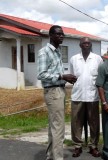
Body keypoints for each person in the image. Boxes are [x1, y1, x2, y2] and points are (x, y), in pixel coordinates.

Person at [37, 25, 77, 160]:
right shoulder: (45, 52)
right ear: (51, 36)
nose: (61, 36)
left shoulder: (58, 51)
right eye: (58, 34)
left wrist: (66, 78)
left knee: (54, 127)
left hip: (59, 90)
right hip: (53, 92)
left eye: (62, 34)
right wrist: (62, 77)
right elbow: (41, 74)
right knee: (58, 128)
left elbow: (55, 72)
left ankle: (50, 156)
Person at [69, 37, 103, 158]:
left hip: (92, 96)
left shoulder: (97, 59)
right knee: (76, 122)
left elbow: (101, 77)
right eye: (84, 43)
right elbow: (72, 77)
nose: (86, 45)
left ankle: (93, 146)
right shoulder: (74, 59)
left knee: (94, 123)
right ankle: (77, 146)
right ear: (80, 45)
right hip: (77, 95)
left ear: (91, 45)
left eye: (88, 43)